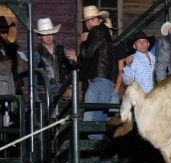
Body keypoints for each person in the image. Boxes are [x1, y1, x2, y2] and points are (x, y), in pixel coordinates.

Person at [66, 6, 113, 140]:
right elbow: (90, 61)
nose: (89, 23)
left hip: (99, 82)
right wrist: (77, 59)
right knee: (99, 124)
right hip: (104, 81)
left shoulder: (97, 31)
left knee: (90, 124)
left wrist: (84, 42)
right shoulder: (103, 33)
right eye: (87, 21)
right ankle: (101, 158)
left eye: (92, 20)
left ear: (99, 19)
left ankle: (95, 159)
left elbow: (86, 54)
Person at [33, 17, 75, 102]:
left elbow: (71, 70)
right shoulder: (36, 53)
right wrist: (36, 98)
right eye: (45, 34)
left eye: (50, 33)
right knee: (48, 114)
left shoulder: (63, 49)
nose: (48, 36)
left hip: (63, 90)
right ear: (40, 36)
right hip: (45, 91)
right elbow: (33, 77)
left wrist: (69, 88)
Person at [0, 15, 28, 96]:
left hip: (16, 89)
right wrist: (15, 64)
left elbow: (27, 64)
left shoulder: (13, 47)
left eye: (7, 32)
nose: (6, 35)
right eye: (2, 32)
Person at [105, 17, 126, 104]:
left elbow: (121, 70)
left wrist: (116, 89)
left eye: (109, 31)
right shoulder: (95, 47)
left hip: (113, 86)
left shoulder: (118, 45)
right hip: (98, 88)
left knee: (112, 114)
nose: (108, 33)